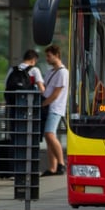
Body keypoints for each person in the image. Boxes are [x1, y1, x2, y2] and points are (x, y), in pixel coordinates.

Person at [41, 45, 68, 176]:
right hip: (49, 107)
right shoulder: (50, 72)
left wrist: (43, 104)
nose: (47, 58)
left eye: (49, 56)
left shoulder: (63, 72)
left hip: (55, 107)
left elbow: (56, 93)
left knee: (49, 134)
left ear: (56, 55)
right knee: (49, 137)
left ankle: (62, 163)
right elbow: (45, 88)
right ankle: (53, 167)